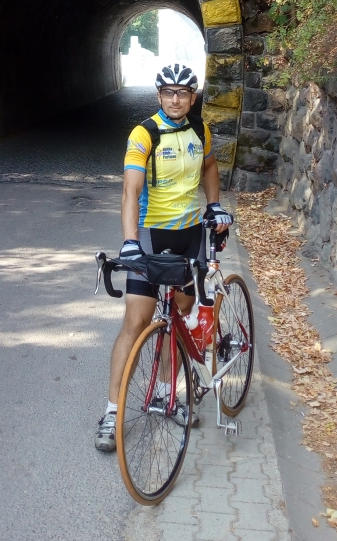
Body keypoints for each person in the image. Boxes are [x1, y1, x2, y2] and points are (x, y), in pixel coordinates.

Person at [95, 62, 233, 452]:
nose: (175, 100)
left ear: (192, 97)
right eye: (168, 93)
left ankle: (164, 393)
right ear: (159, 96)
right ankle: (112, 412)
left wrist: (214, 205)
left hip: (190, 237)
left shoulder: (199, 130)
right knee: (136, 322)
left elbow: (209, 165)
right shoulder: (144, 134)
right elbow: (130, 191)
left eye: (183, 93)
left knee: (180, 317)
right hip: (151, 238)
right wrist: (130, 241)